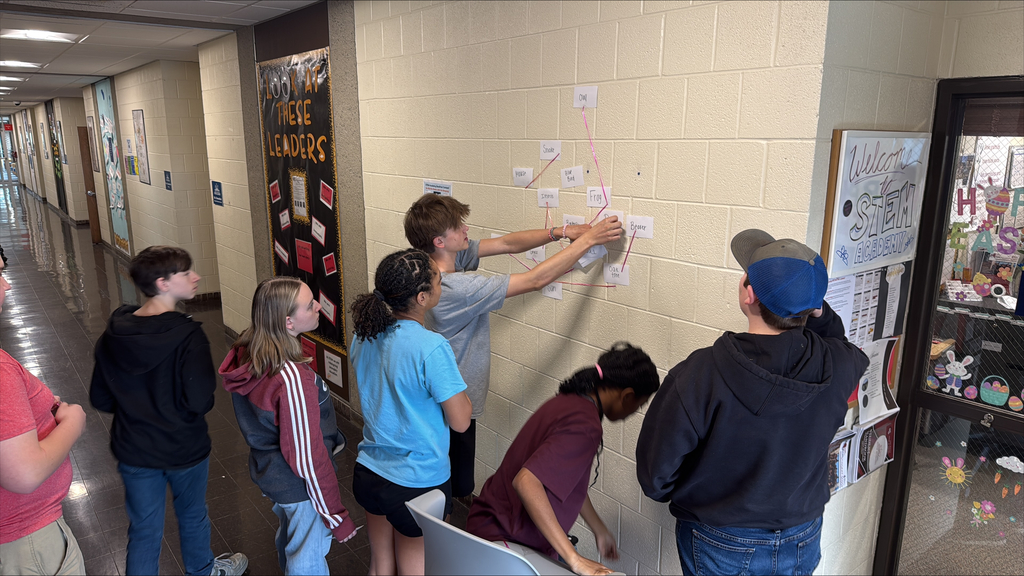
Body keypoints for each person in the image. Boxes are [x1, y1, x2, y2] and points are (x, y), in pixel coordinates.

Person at [636, 229, 870, 576]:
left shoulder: (700, 373)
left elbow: (656, 479)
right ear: (814, 307)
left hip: (720, 537)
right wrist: (811, 305)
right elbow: (837, 338)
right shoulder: (841, 364)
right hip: (803, 533)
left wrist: (697, 493)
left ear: (748, 294)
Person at [404, 194, 623, 498]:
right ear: (439, 241)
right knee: (448, 490)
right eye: (458, 226)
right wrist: (589, 241)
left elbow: (507, 244)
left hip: (441, 396)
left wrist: (560, 232)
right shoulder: (457, 288)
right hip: (451, 403)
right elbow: (535, 280)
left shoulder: (431, 266)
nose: (466, 228)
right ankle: (439, 539)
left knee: (446, 485)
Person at [89, 246, 246, 576]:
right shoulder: (189, 337)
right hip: (183, 449)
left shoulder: (112, 335)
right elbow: (200, 401)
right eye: (186, 272)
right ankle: (203, 571)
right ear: (163, 283)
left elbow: (101, 399)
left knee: (144, 532)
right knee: (192, 516)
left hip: (134, 451)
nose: (196, 277)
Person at [467, 343, 660, 576]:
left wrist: (598, 528)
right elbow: (526, 481)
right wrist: (573, 558)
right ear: (627, 395)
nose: (633, 413)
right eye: (638, 407)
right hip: (504, 541)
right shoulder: (585, 425)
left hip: (491, 527)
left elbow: (568, 483)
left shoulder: (569, 402)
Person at [220, 276, 357, 575]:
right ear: (288, 323)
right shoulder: (290, 377)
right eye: (309, 305)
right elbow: (308, 459)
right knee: (307, 558)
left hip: (271, 471)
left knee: (291, 536)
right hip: (298, 485)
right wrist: (336, 515)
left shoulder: (249, 347)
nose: (318, 306)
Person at [349, 248, 473, 575]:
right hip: (416, 482)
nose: (441, 284)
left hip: (370, 472)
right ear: (421, 297)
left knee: (380, 565)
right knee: (415, 568)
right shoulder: (431, 346)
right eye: (437, 281)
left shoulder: (363, 335)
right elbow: (461, 422)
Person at [0, 246, 87, 575]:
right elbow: (24, 474)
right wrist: (72, 423)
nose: (7, 284)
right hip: (28, 542)